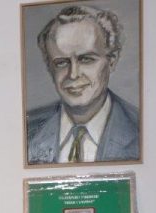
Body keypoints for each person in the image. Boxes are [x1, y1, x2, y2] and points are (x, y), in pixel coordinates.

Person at [26, 5, 139, 165]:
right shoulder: (26, 130)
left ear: (112, 61)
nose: (73, 74)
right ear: (49, 67)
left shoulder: (141, 130)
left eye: (86, 59)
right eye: (61, 62)